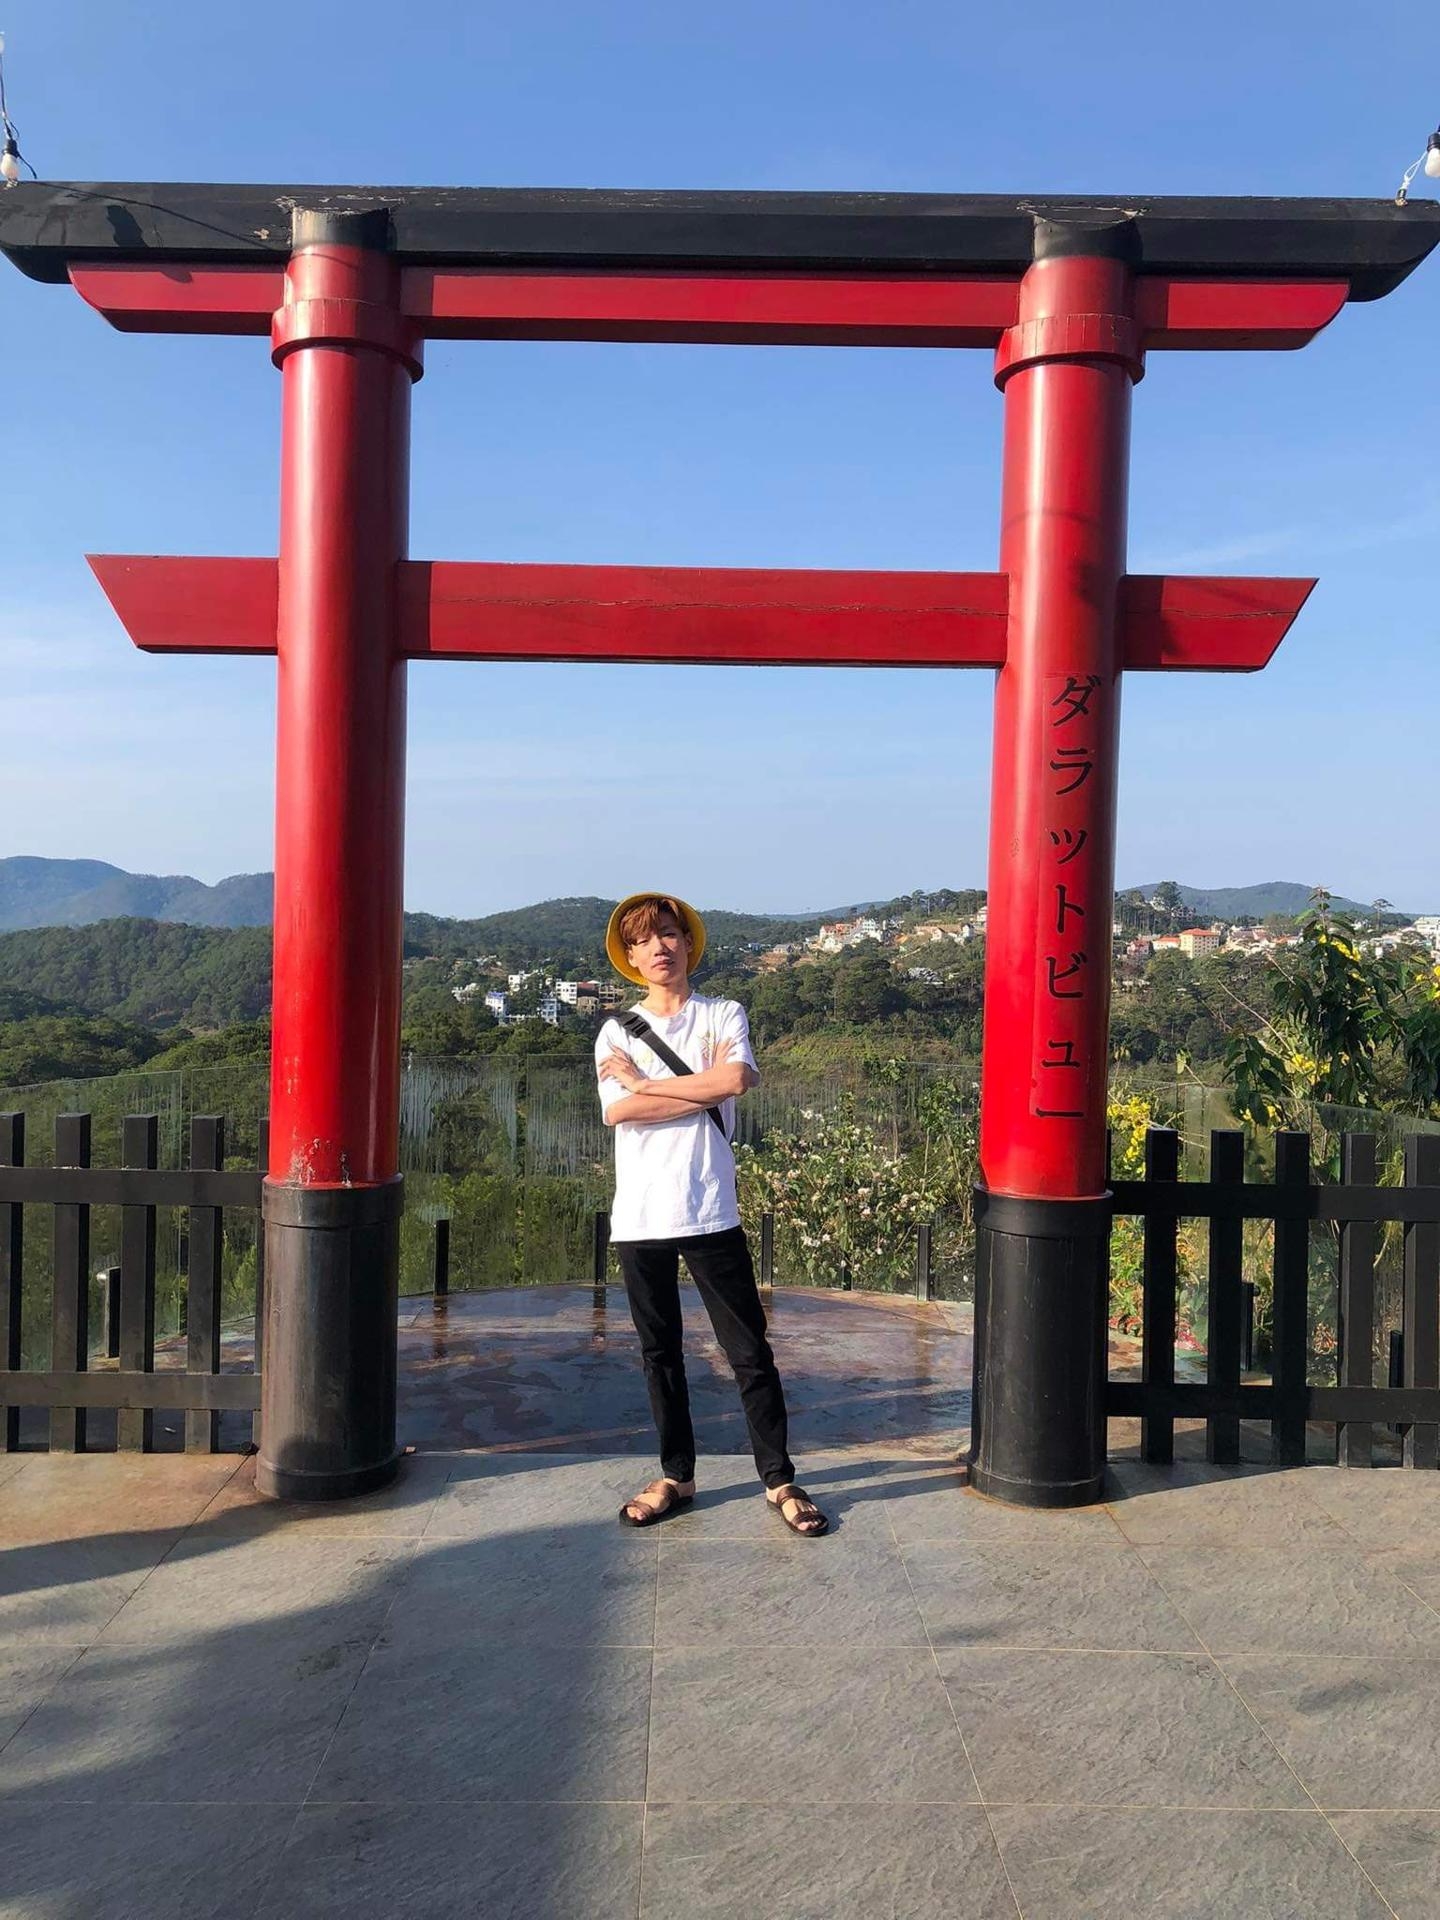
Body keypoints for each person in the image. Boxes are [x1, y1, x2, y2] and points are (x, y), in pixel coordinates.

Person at [595, 890, 827, 1537]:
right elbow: (619, 1112)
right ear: (630, 956)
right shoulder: (616, 1030)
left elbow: (734, 1080)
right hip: (641, 1215)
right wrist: (688, 1089)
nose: (659, 947)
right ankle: (677, 1475)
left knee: (748, 1351)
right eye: (644, 939)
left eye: (668, 933)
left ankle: (779, 1479)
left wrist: (647, 1083)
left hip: (708, 1208)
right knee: (660, 1354)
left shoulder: (722, 1013)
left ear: (688, 943)